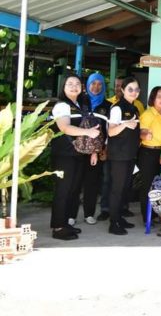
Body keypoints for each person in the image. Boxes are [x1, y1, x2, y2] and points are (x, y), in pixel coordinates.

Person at [49, 75, 102, 240]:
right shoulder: (62, 105)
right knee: (63, 191)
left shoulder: (80, 105)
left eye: (77, 84)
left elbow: (89, 128)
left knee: (72, 191)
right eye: (69, 84)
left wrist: (93, 150)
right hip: (64, 154)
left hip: (77, 154)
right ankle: (58, 227)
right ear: (63, 87)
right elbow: (64, 127)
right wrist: (88, 132)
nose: (74, 86)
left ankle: (65, 223)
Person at [68, 72, 110, 227]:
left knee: (92, 183)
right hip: (77, 149)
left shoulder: (107, 105)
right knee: (75, 182)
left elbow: (106, 130)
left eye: (99, 84)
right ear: (88, 85)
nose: (96, 86)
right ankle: (71, 215)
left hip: (96, 151)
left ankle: (89, 214)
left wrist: (101, 149)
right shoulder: (80, 101)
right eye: (93, 83)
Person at [106, 76, 141, 235]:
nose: (134, 92)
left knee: (125, 188)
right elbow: (111, 131)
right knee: (117, 189)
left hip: (130, 155)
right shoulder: (117, 108)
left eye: (136, 89)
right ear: (122, 90)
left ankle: (119, 217)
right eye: (130, 89)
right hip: (118, 155)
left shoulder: (135, 108)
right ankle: (113, 223)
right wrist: (125, 124)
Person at [136, 86, 161, 223]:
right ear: (153, 98)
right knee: (148, 185)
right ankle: (147, 216)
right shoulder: (147, 114)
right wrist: (145, 134)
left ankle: (157, 214)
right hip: (148, 152)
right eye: (159, 97)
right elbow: (141, 133)